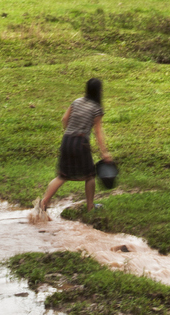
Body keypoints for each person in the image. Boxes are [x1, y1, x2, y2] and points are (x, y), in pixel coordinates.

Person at [31, 77, 111, 222]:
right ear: (98, 91)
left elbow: (64, 120)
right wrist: (104, 152)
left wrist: (70, 133)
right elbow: (98, 131)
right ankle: (90, 207)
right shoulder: (97, 108)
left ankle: (42, 204)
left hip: (67, 139)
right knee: (90, 175)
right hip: (80, 142)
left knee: (62, 175)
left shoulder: (77, 101)